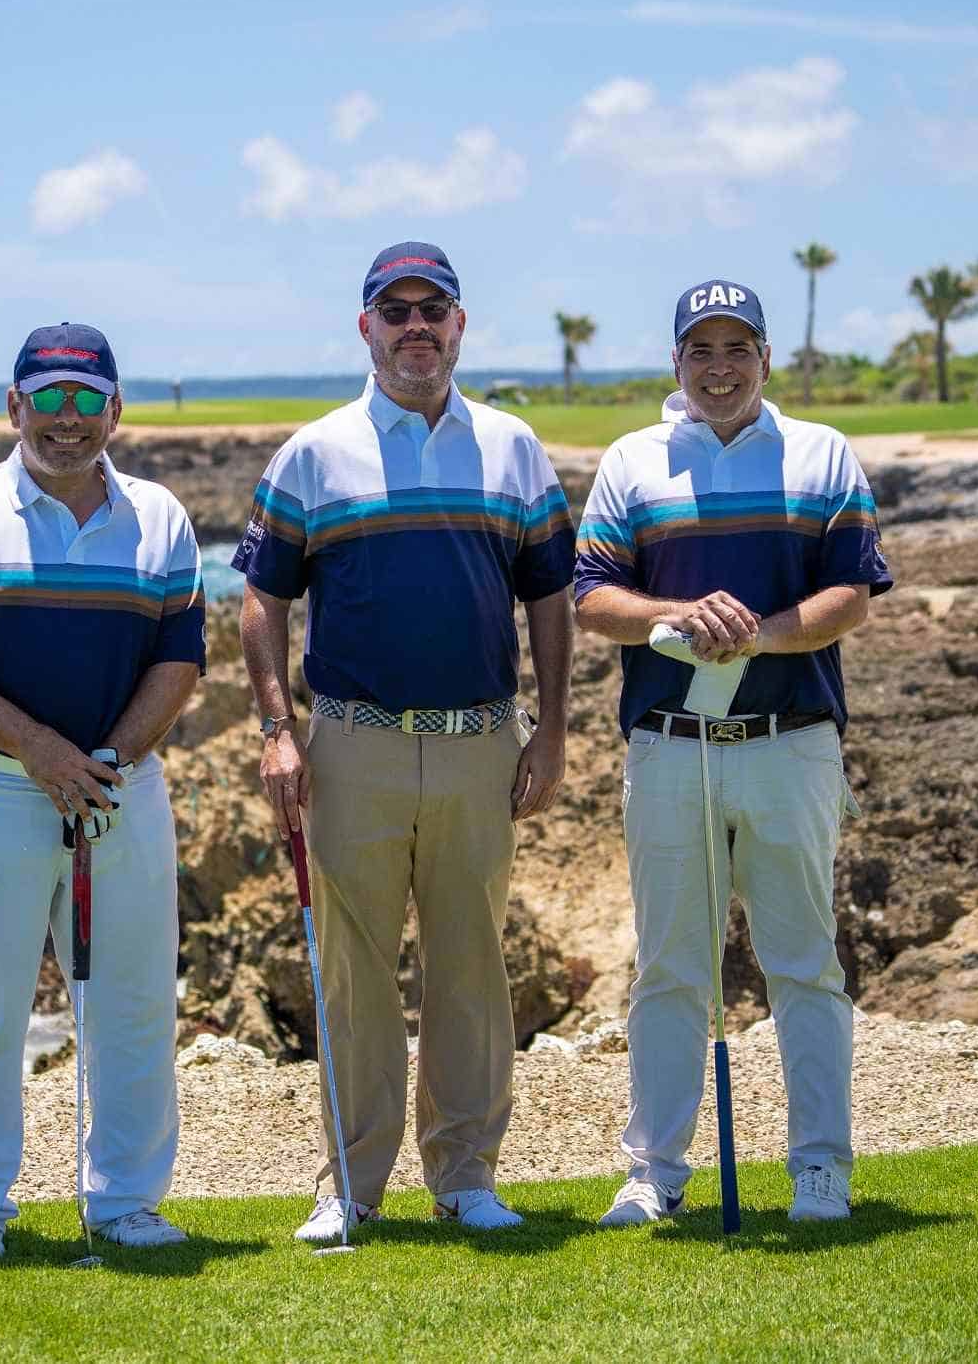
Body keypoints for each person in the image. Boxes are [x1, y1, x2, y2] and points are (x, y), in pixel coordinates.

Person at [235, 242, 575, 1242]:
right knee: (354, 974)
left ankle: (465, 1176)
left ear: (460, 325)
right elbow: (260, 604)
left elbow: (551, 598)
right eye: (397, 311)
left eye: (435, 310)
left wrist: (552, 732)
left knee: (472, 966)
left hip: (479, 743)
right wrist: (275, 731)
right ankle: (351, 1184)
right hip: (352, 745)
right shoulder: (314, 453)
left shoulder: (513, 450)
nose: (416, 327)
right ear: (367, 329)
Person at [572, 279, 891, 1227]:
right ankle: (655, 1170)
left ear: (764, 359)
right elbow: (591, 598)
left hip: (789, 743)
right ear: (676, 363)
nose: (719, 368)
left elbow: (852, 594)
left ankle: (819, 1170)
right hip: (670, 745)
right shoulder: (632, 463)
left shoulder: (822, 455)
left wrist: (753, 634)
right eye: (700, 351)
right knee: (670, 967)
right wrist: (681, 615)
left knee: (804, 962)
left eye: (736, 349)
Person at [0, 322, 204, 1264]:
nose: (66, 421)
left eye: (86, 400)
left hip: (122, 789)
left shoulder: (160, 518)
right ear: (13, 405)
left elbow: (178, 661)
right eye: (48, 399)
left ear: (114, 408)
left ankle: (125, 1202)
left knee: (134, 1000)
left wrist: (102, 759)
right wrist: (40, 751)